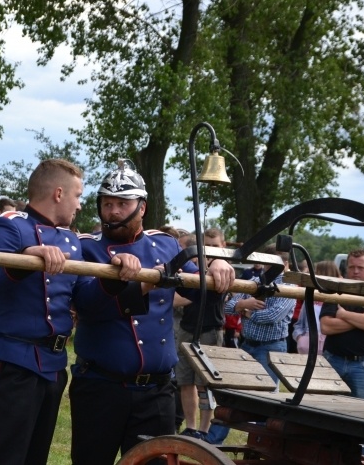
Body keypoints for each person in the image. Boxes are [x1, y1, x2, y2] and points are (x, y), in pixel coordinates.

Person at [70, 160, 234, 465]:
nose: (113, 211)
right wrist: (138, 283)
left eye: (122, 203)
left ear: (142, 208)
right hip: (100, 388)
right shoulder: (85, 247)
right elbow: (88, 305)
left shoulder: (165, 244)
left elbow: (198, 290)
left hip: (157, 391)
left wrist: (217, 266)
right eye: (107, 204)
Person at [0, 158, 84, 465]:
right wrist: (23, 258)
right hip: (14, 363)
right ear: (58, 194)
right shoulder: (11, 226)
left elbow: (85, 295)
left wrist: (123, 278)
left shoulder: (72, 240)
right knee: (5, 458)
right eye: (77, 195)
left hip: (55, 366)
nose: (79, 205)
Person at [320, 248, 364, 457]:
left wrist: (343, 314)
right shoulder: (336, 291)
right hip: (333, 361)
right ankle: (329, 458)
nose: (355, 271)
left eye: (360, 267)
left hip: (363, 365)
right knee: (327, 414)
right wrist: (361, 320)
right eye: (351, 267)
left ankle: (363, 460)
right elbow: (326, 326)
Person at [175, 227, 228, 440]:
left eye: (215, 246)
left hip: (210, 330)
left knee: (205, 383)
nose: (211, 250)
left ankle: (204, 430)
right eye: (208, 245)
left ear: (223, 246)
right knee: (185, 381)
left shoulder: (224, 269)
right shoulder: (193, 267)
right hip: (187, 327)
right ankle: (191, 427)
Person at [224, 245, 295, 385]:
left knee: (266, 392)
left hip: (271, 347)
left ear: (285, 264)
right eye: (267, 262)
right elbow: (228, 308)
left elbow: (271, 317)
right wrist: (243, 304)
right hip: (247, 344)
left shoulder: (289, 288)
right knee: (241, 388)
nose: (268, 267)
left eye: (273, 263)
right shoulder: (254, 282)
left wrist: (244, 310)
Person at [292, 261, 338, 355]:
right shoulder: (311, 297)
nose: (313, 276)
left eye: (316, 272)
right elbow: (299, 324)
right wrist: (300, 338)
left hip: (330, 346)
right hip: (307, 345)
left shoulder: (339, 298)